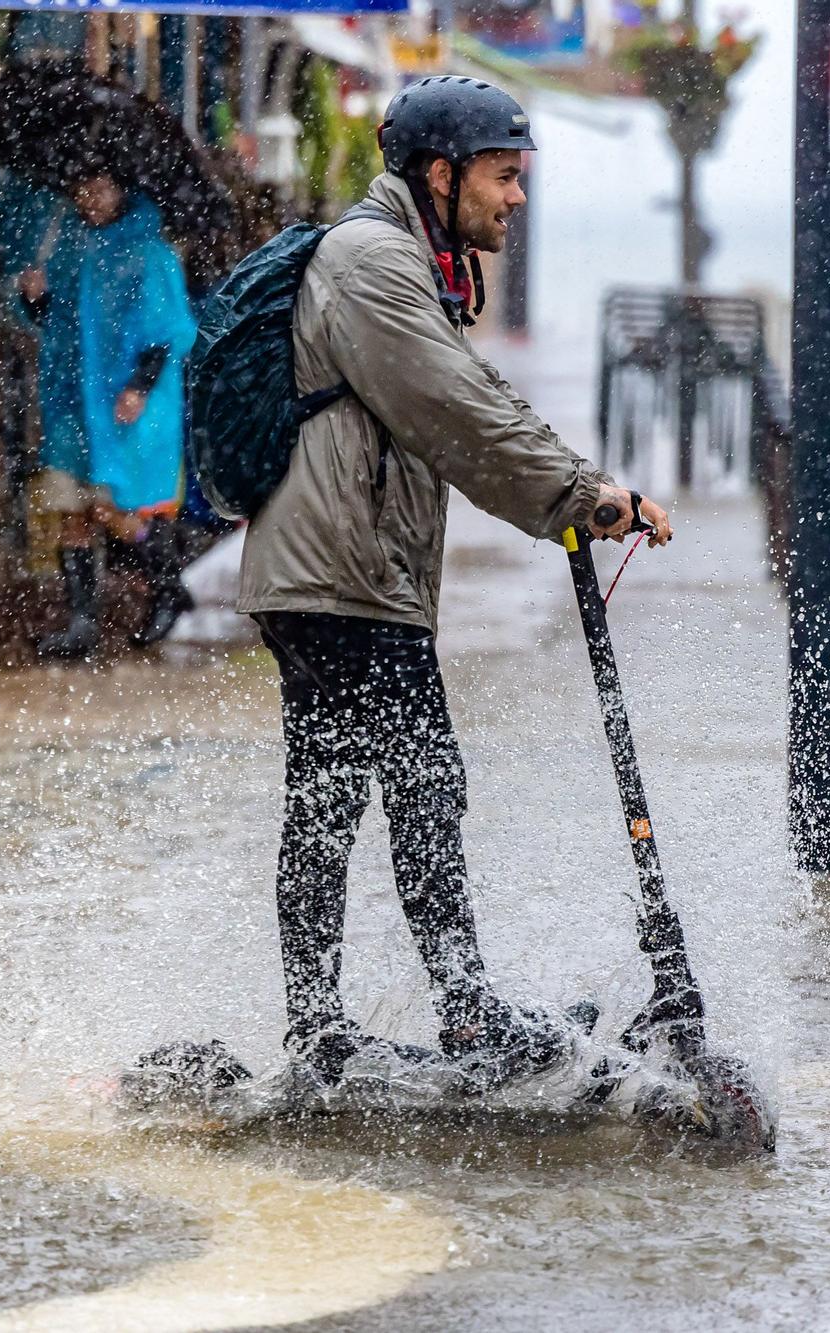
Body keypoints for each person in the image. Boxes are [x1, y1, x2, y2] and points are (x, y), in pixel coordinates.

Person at [236, 77, 674, 1087]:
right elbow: (455, 412)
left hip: (340, 571)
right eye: (502, 176)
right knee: (402, 787)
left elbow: (468, 403)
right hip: (337, 575)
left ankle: (336, 1023)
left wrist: (572, 487)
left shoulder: (404, 262)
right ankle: (444, 1016)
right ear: (440, 173)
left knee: (348, 795)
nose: (515, 197)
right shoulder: (372, 261)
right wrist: (579, 496)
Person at [22, 167, 199, 659]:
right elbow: (60, 325)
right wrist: (35, 300)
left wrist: (139, 387)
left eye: (99, 187)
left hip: (128, 405)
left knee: (114, 508)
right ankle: (82, 623)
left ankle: (166, 584)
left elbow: (168, 330)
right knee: (72, 512)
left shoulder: (150, 253)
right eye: (82, 188)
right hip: (75, 405)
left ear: (124, 188)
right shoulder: (71, 246)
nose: (89, 198)